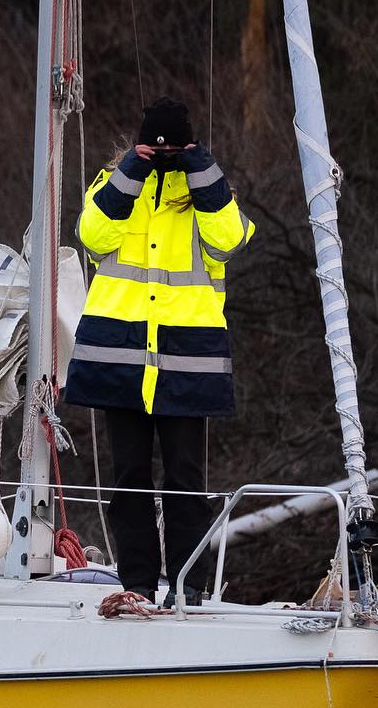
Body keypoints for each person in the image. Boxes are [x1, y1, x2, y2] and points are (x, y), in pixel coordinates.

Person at [62, 97, 254, 604]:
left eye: (174, 143)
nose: (165, 150)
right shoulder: (116, 184)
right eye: (159, 142)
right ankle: (138, 586)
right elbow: (92, 235)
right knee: (129, 479)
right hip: (121, 358)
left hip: (185, 360)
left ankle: (189, 587)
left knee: (186, 480)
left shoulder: (208, 192)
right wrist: (134, 167)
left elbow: (230, 240)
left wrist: (200, 166)